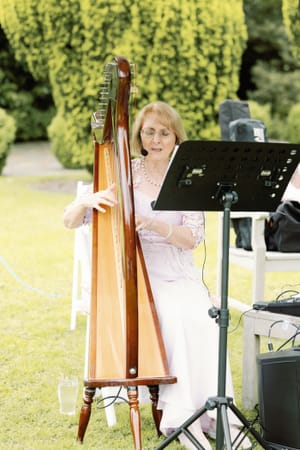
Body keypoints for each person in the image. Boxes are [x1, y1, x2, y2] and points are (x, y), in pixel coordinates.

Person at [63, 101, 252, 449]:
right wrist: (85, 203)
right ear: (138, 135)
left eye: (164, 132)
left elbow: (191, 239)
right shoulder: (126, 173)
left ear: (176, 136)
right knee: (177, 315)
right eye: (149, 131)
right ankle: (181, 419)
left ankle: (212, 414)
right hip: (140, 273)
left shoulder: (189, 176)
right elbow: (70, 221)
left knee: (206, 318)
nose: (156, 139)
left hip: (178, 271)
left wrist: (150, 221)